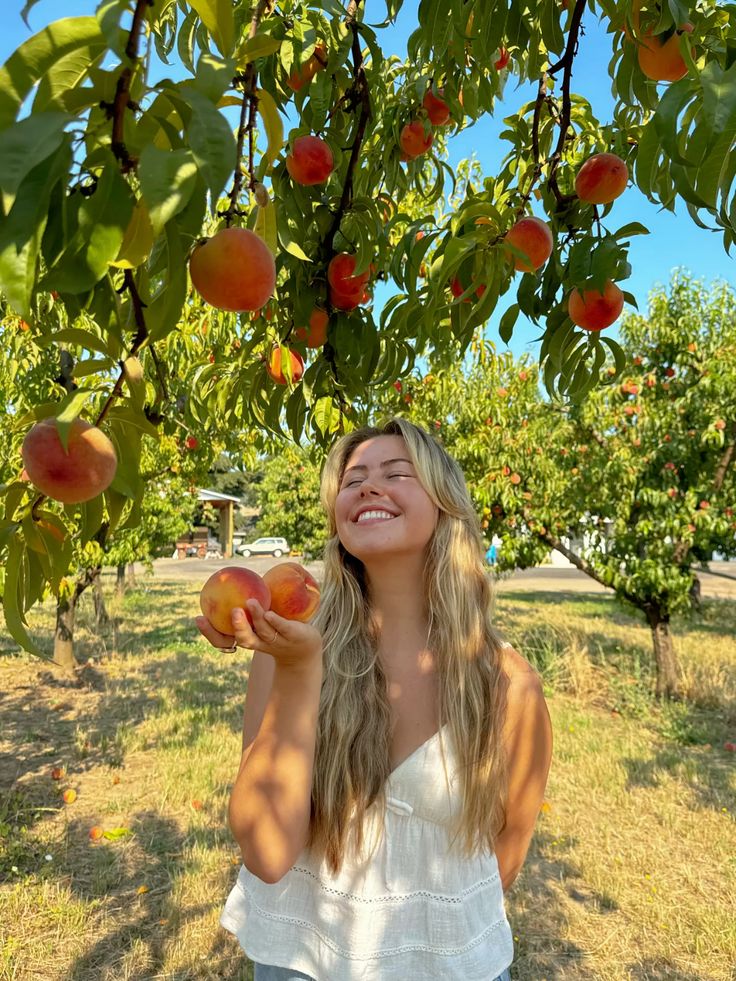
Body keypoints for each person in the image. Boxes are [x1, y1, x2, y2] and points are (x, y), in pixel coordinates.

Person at [196, 418, 553, 981]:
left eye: (396, 473)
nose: (368, 487)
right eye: (353, 479)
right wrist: (298, 673)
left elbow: (503, 855)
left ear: (444, 503)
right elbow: (266, 852)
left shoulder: (507, 684)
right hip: (302, 963)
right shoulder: (290, 647)